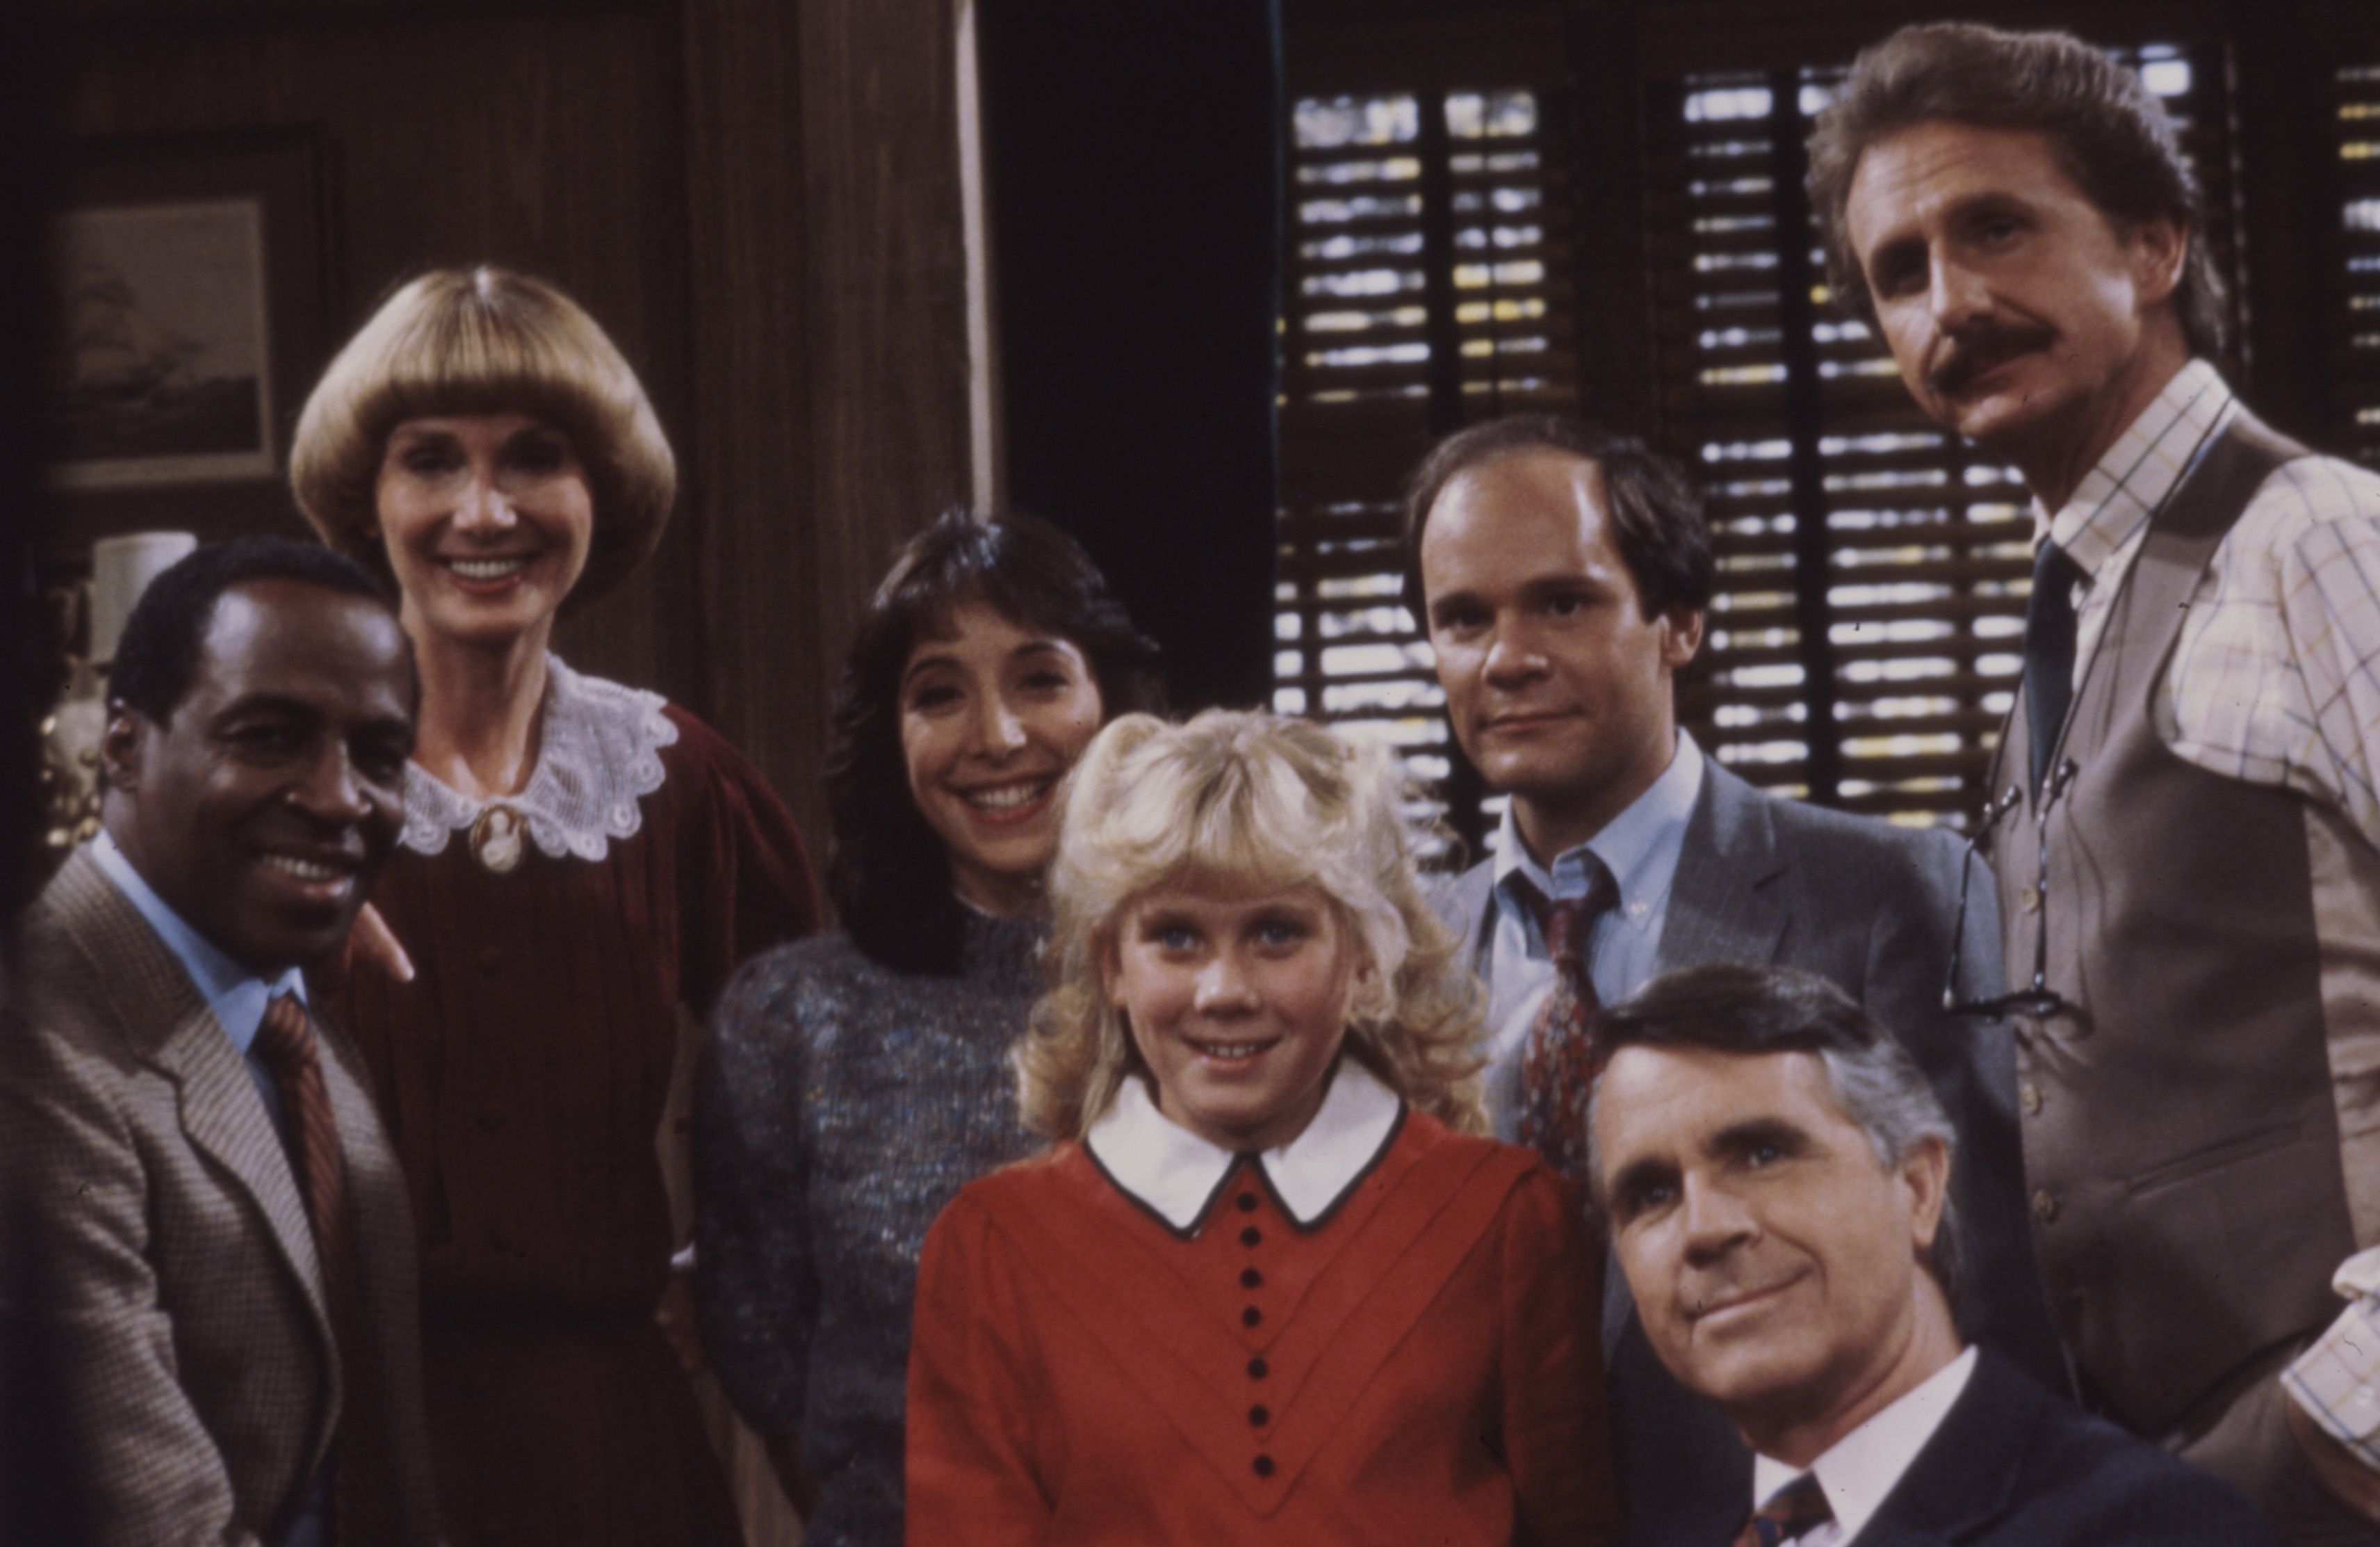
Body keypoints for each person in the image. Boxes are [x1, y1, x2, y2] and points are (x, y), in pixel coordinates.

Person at [1807, 23, 2380, 1540]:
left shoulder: (2315, 535)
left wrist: (2331, 1431)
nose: (1952, 304)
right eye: (1899, 270)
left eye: (1993, 226)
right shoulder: (2068, 618)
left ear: (2151, 240)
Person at [1405, 412, 2053, 1544]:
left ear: (1679, 622)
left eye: (1560, 602)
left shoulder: (1888, 891)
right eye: (1462, 618)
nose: (1504, 657)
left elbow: (1981, 1300)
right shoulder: (1399, 954)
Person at [288, 266, 821, 1547]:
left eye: (535, 458)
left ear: (600, 494)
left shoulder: (672, 779)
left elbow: (819, 1060)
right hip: (349, 1445)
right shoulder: (284, 784)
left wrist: (729, 1275)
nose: (484, 510)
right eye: (432, 461)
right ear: (371, 498)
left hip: (613, 1445)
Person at [906, 709, 1624, 1545]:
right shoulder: (994, 1244)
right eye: (1175, 936)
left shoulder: (1504, 1215)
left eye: (1275, 932)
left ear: (1364, 954)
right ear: (1112, 965)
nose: (1223, 989)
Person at [694, 508, 1163, 1547]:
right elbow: (760, 1342)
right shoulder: (787, 1022)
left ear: (1113, 705)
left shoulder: (1213, 998)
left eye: (1040, 678)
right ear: (890, 738)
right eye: (939, 693)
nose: (996, 736)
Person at [0, 537, 440, 1546]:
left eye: (379, 757)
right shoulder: (34, 1054)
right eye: (270, 736)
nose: (339, 800)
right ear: (122, 746)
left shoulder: (297, 1024)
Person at [1588, 962, 2279, 1547]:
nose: (1703, 1227)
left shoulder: (2150, 1526)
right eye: (1649, 1193)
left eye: (1763, 1153)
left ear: (1918, 1185)